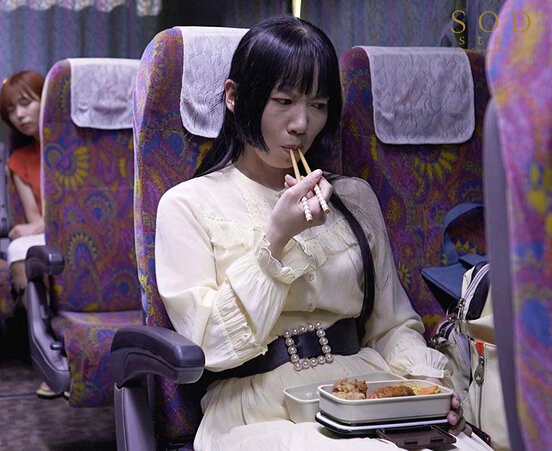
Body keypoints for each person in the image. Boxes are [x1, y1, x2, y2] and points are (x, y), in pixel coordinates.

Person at [153, 17, 490, 450]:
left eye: (318, 105)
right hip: (256, 406)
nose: (302, 123)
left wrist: (427, 386)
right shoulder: (187, 204)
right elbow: (208, 345)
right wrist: (276, 240)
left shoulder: (353, 197)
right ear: (234, 96)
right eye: (284, 101)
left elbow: (390, 325)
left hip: (364, 390)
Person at [0, 70, 62, 399]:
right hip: (50, 231)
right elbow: (34, 219)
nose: (19, 115)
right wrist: (34, 226)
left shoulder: (74, 146)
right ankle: (54, 348)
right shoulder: (19, 160)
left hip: (85, 229)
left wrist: (38, 225)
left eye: (26, 103)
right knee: (19, 249)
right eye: (11, 110)